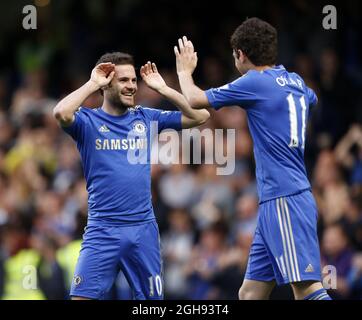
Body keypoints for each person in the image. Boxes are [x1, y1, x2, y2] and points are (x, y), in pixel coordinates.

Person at [174, 17, 331, 300]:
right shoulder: (296, 81)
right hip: (278, 200)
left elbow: (195, 99)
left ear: (240, 54)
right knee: (249, 294)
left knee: (307, 290)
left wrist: (184, 72)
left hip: (285, 198)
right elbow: (312, 99)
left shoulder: (255, 82)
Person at [53, 52, 210, 300]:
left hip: (143, 229)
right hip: (102, 229)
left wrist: (163, 88)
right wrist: (92, 83)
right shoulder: (87, 121)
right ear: (107, 84)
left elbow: (200, 116)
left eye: (134, 80)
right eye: (124, 80)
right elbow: (61, 112)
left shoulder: (146, 117)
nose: (131, 86)